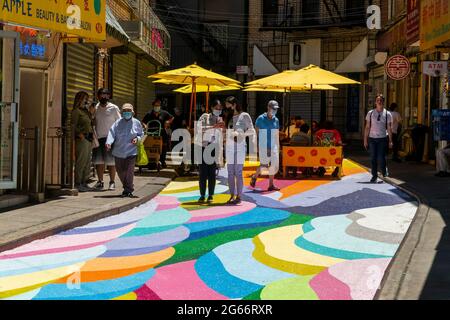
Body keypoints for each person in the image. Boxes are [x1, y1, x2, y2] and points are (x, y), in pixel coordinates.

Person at [106, 104, 144, 197]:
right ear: (122, 112)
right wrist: (109, 142)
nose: (127, 112)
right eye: (125, 110)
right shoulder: (117, 123)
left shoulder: (136, 122)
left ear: (132, 112)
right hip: (118, 151)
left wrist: (137, 139)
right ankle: (128, 186)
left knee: (129, 172)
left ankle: (128, 189)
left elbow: (141, 134)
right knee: (120, 172)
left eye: (129, 110)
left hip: (131, 152)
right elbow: (111, 133)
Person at [225, 97, 255, 205]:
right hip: (229, 146)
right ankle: (231, 195)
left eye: (228, 105)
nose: (227, 108)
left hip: (240, 146)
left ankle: (239, 196)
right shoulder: (228, 116)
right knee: (230, 172)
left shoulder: (244, 115)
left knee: (238, 172)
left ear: (234, 104)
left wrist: (241, 134)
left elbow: (251, 130)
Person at [195, 100, 225, 202]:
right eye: (217, 108)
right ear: (212, 108)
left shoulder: (221, 119)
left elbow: (221, 136)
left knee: (212, 173)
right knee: (203, 173)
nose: (219, 110)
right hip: (203, 147)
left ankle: (211, 195)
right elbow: (200, 128)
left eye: (220, 108)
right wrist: (213, 127)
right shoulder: (204, 116)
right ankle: (202, 195)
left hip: (214, 148)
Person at [93, 88, 121, 191]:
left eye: (106, 94)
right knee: (99, 162)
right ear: (98, 96)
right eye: (101, 94)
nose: (103, 96)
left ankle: (112, 182)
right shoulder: (95, 108)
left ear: (108, 96)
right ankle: (100, 181)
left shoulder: (114, 108)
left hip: (110, 139)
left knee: (111, 162)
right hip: (98, 138)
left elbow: (119, 123)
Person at [250, 100, 281, 191]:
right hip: (263, 145)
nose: (275, 111)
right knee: (264, 165)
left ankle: (271, 184)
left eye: (276, 109)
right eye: (273, 109)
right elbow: (255, 133)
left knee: (273, 165)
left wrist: (277, 146)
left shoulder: (276, 120)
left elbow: (276, 134)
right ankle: (255, 176)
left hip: (273, 145)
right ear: (268, 108)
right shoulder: (260, 119)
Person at [364, 94, 394, 183]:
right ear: (375, 102)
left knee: (381, 157)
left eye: (381, 100)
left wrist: (390, 141)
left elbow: (389, 128)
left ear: (383, 102)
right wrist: (365, 140)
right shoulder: (370, 113)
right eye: (377, 100)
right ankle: (374, 175)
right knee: (373, 158)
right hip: (372, 138)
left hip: (382, 138)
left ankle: (384, 170)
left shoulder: (387, 114)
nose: (379, 102)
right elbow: (367, 127)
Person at [72, 91, 94, 192]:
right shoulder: (76, 111)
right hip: (82, 138)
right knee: (80, 161)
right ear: (79, 99)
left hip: (89, 138)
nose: (86, 101)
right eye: (85, 98)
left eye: (87, 98)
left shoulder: (86, 112)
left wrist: (91, 112)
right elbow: (73, 125)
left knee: (87, 161)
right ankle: (78, 183)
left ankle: (84, 181)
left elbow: (91, 123)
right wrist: (78, 134)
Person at [142, 99, 174, 168]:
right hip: (151, 132)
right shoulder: (149, 114)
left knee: (163, 147)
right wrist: (145, 125)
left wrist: (168, 122)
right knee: (152, 147)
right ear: (153, 106)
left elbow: (172, 117)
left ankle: (162, 161)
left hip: (162, 132)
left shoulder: (164, 113)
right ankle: (151, 160)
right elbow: (143, 121)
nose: (157, 107)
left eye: (158, 105)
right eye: (155, 105)